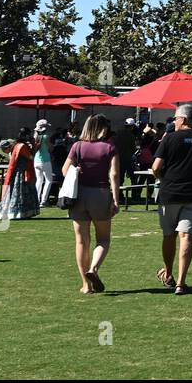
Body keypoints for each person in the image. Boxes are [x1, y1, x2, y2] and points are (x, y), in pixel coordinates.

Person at [151, 105, 192, 295]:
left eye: (176, 118)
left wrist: (162, 178)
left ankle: (169, 273)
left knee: (169, 235)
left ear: (184, 119)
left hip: (169, 193)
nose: (174, 121)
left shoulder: (169, 138)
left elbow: (156, 166)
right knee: (187, 236)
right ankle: (181, 282)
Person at [63, 115, 121, 294]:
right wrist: (116, 199)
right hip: (100, 194)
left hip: (79, 195)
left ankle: (85, 284)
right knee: (103, 238)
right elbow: (114, 174)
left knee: (81, 241)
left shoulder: (77, 146)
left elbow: (65, 170)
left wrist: (77, 171)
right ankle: (93, 269)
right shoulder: (109, 147)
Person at [0, 129, 40, 220]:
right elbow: (31, 157)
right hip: (21, 173)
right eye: (29, 135)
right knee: (20, 193)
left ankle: (22, 212)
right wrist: (34, 146)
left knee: (19, 192)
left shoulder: (18, 145)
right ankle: (18, 212)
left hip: (21, 172)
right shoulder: (21, 146)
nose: (31, 137)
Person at [31, 119, 56, 205]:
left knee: (39, 180)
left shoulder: (35, 137)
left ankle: (36, 199)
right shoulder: (46, 136)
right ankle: (43, 200)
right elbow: (51, 148)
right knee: (49, 180)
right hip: (45, 160)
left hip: (36, 161)